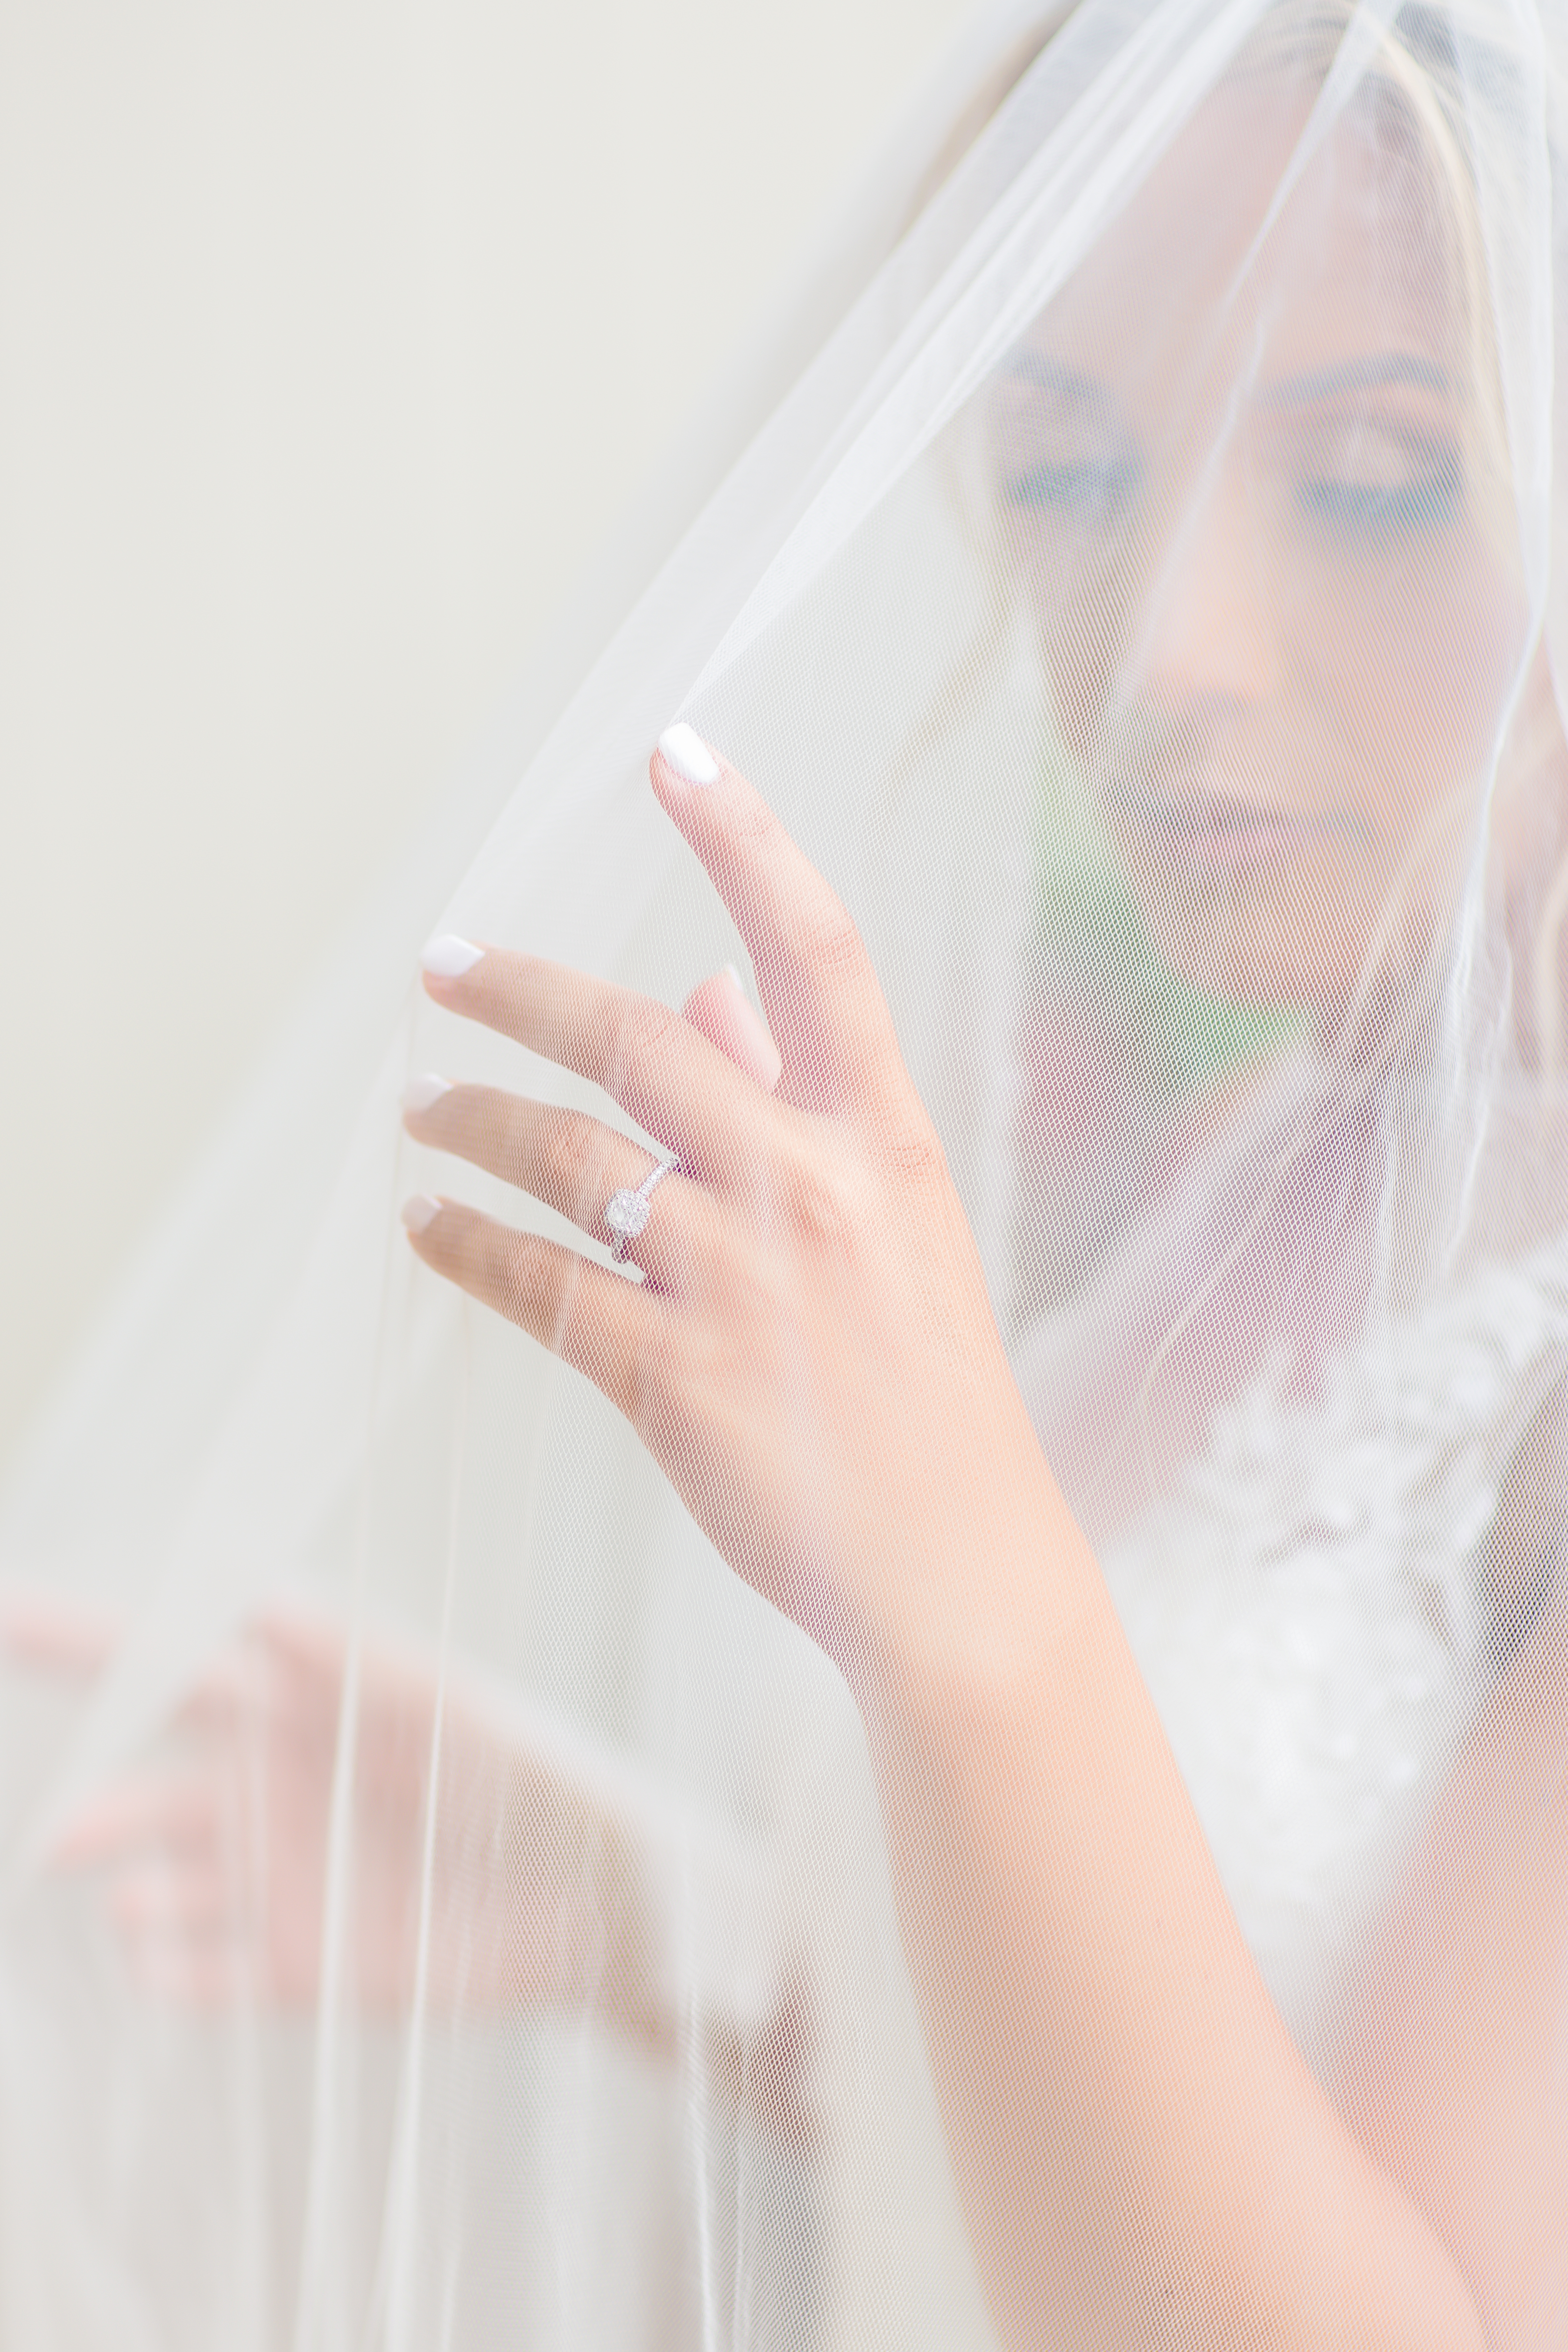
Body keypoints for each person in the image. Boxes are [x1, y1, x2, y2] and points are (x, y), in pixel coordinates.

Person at [5, 0, 1568, 2344]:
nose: (1157, 659)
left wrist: (963, 1597)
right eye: (1060, 473)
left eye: (1367, 476)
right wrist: (648, 1922)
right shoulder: (1272, 1157)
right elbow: (1170, 2110)